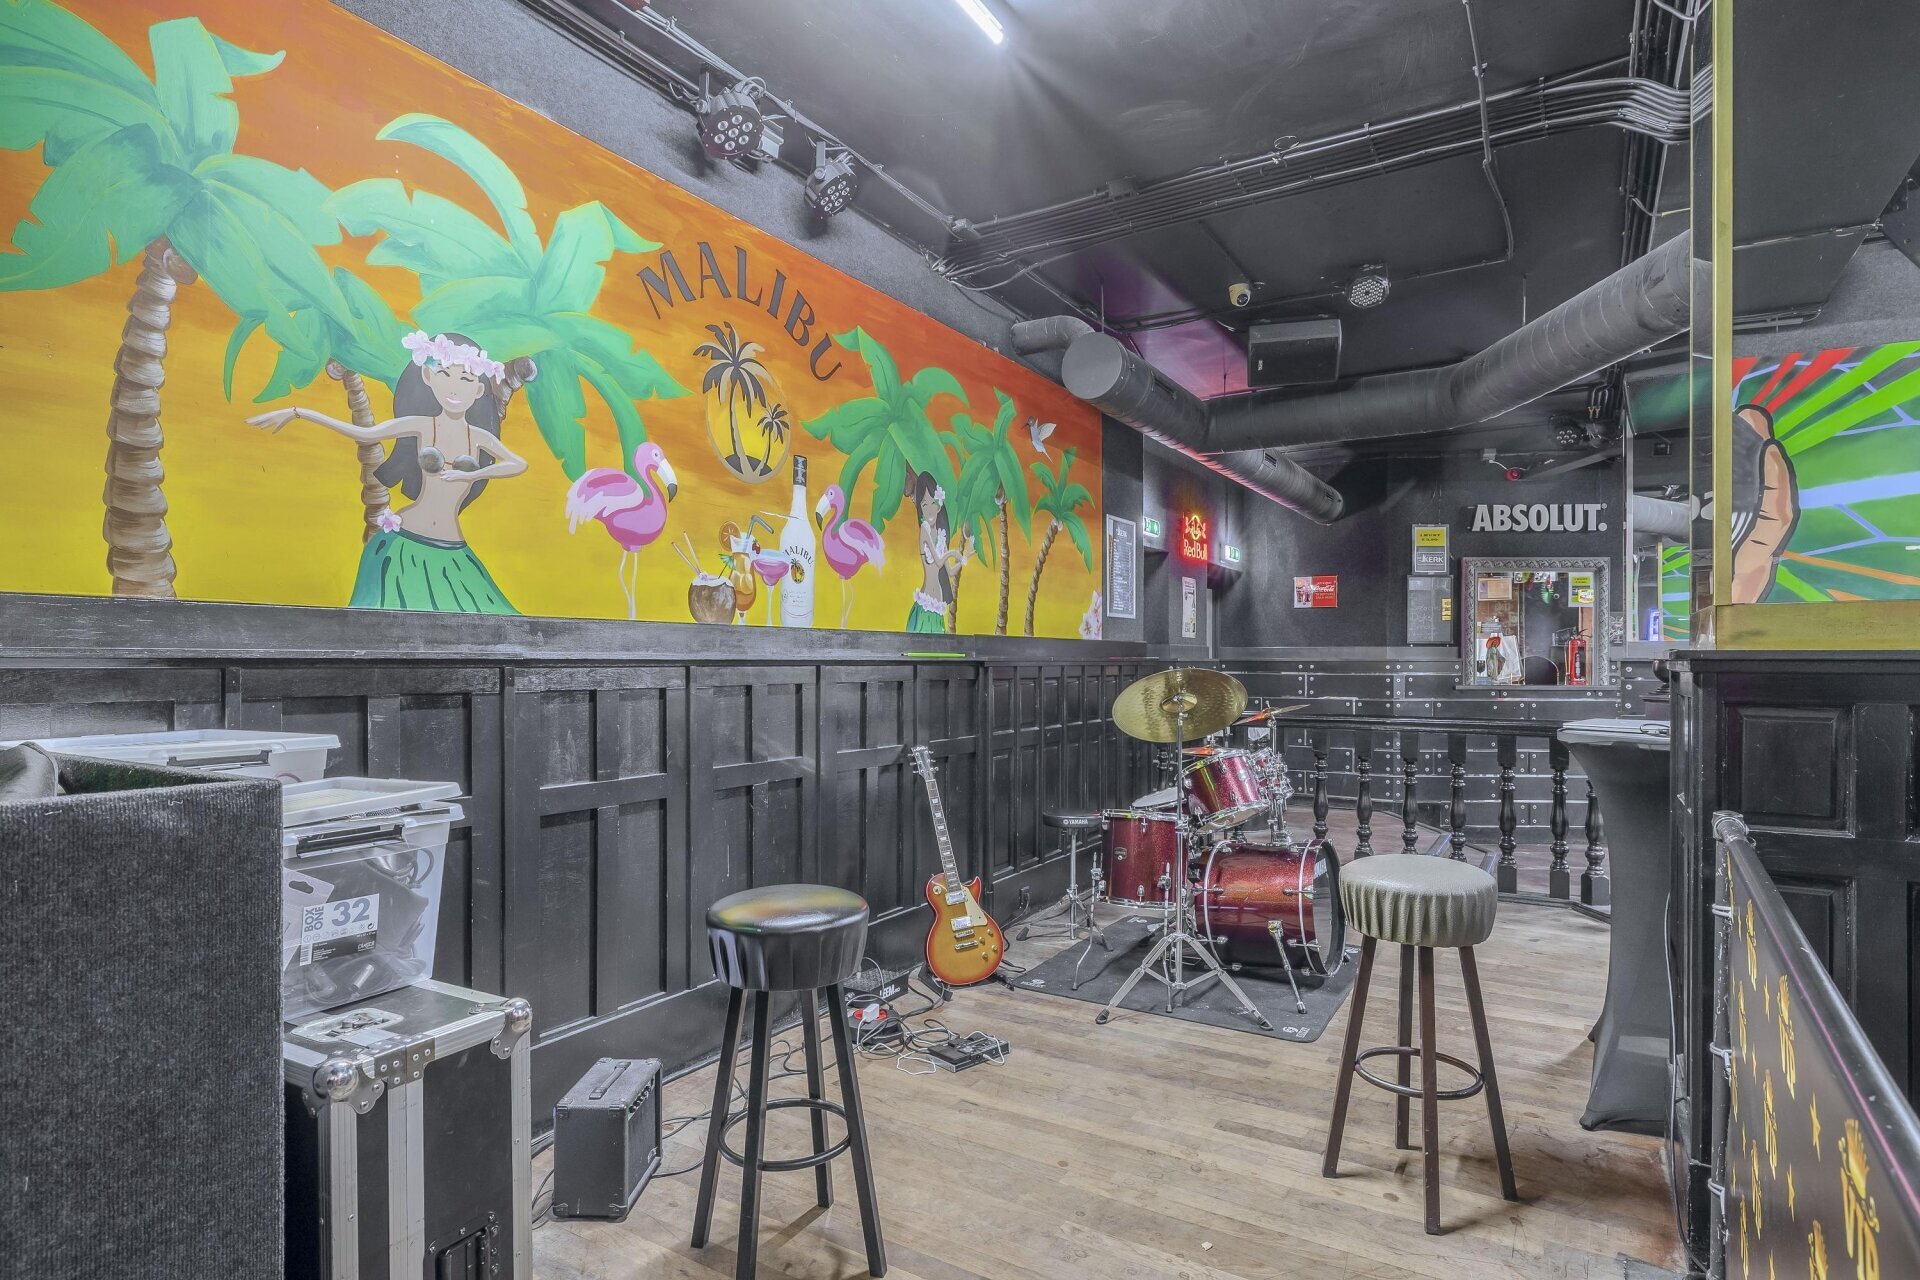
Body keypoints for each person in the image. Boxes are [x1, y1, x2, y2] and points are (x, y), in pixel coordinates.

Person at [248, 331, 528, 613]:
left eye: (465, 380)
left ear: (478, 390)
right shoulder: (423, 426)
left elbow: (518, 463)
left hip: (453, 548)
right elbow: (364, 433)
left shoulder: (478, 437)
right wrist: (298, 412)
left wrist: (471, 475)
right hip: (402, 543)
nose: (454, 389)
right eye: (444, 375)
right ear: (428, 378)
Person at [905, 470, 970, 633]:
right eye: (924, 505)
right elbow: (939, 561)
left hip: (938, 605)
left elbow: (950, 571)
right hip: (926, 604)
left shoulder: (941, 536)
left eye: (932, 503)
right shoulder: (925, 531)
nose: (928, 510)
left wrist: (966, 556)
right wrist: (954, 554)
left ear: (939, 505)